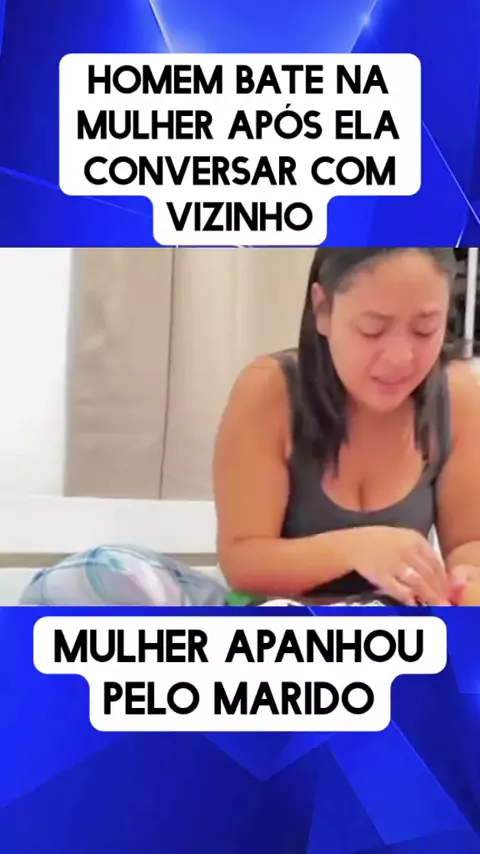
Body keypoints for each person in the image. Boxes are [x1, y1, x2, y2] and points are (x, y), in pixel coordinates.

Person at [213, 247, 480, 606]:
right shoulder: (269, 391)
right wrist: (357, 549)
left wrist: (467, 578)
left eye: (424, 330)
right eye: (373, 329)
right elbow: (242, 561)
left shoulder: (457, 395)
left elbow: (469, 544)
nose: (400, 358)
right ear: (323, 309)